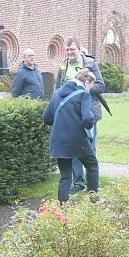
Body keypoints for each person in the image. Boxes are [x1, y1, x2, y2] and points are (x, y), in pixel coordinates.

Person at [55, 38, 105, 194]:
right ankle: (78, 183)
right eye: (67, 50)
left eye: (73, 50)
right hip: (70, 116)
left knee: (89, 147)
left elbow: (101, 85)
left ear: (79, 50)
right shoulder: (63, 67)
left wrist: (83, 91)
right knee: (74, 149)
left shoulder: (90, 64)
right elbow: (59, 88)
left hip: (88, 111)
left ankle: (92, 186)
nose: (70, 53)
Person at [43, 68, 99, 203]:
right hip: (77, 140)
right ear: (87, 83)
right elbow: (87, 119)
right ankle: (94, 200)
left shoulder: (57, 94)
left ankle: (63, 207)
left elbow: (46, 118)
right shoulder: (83, 95)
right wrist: (88, 127)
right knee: (92, 166)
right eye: (91, 86)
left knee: (65, 176)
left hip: (58, 141)